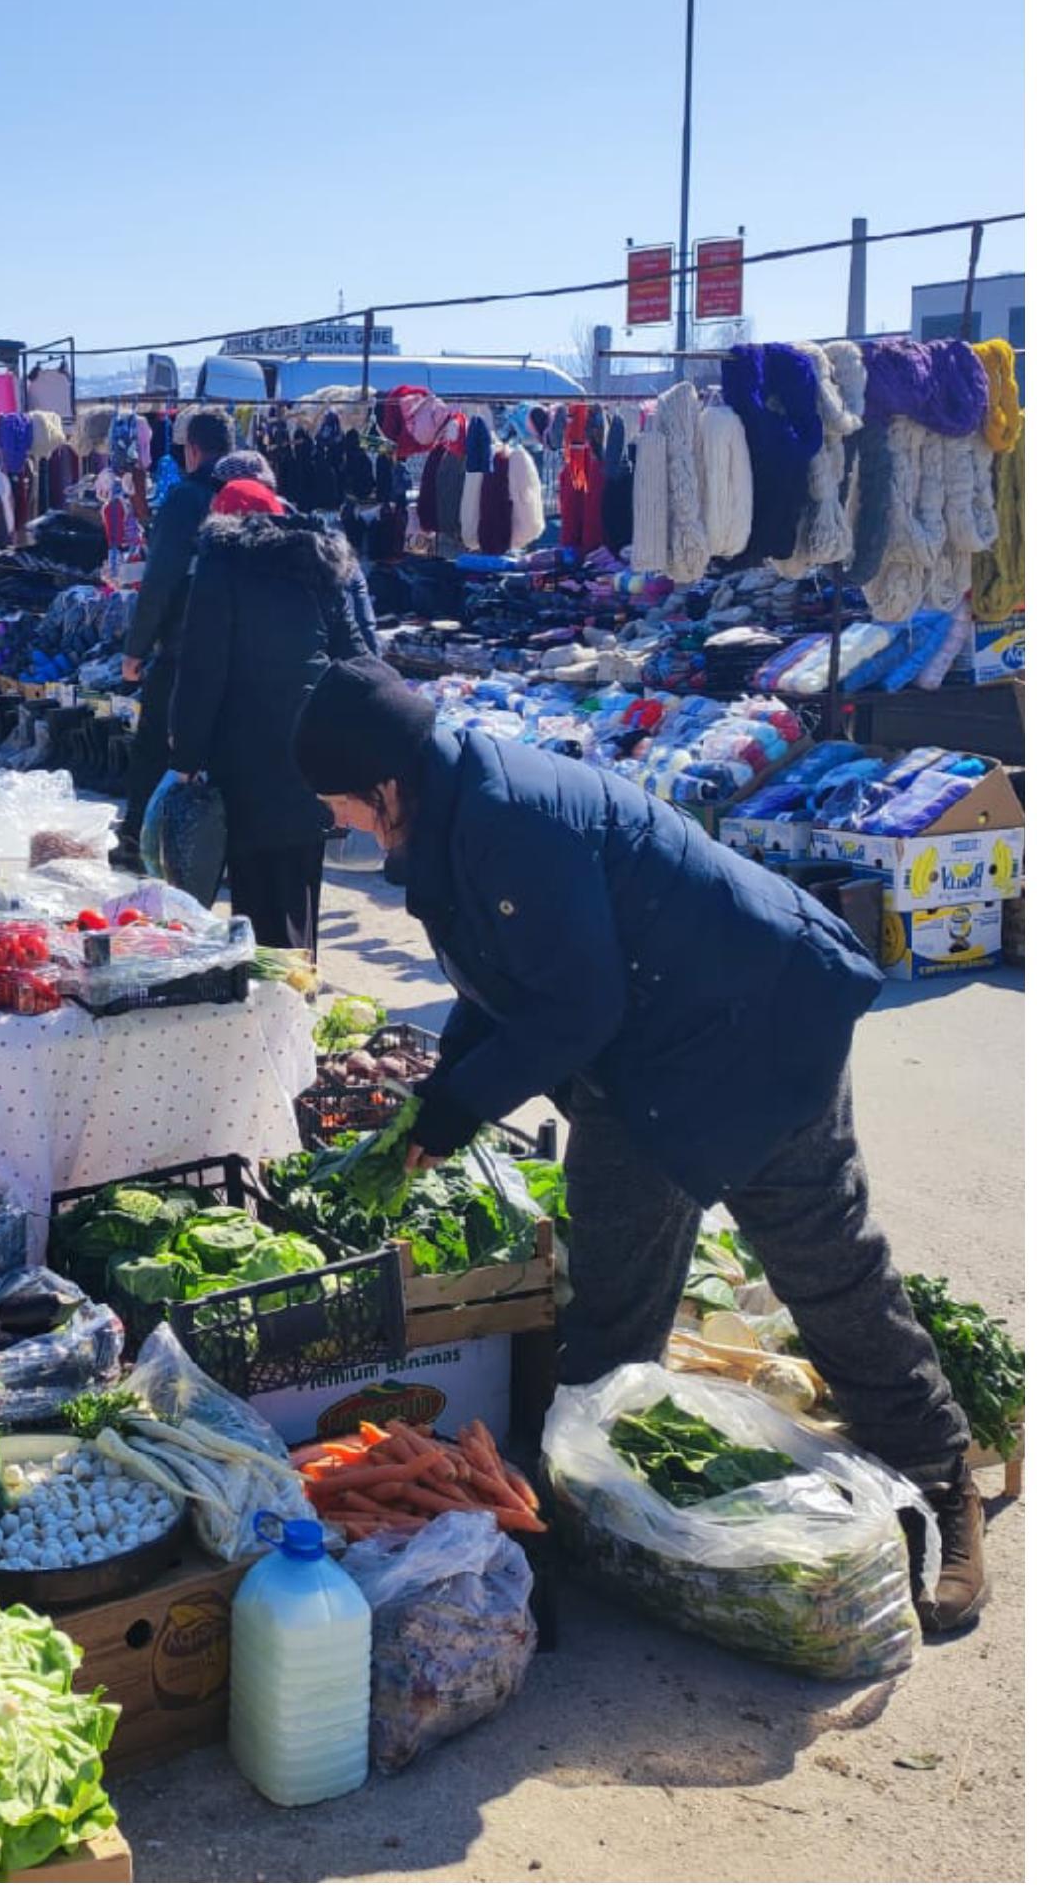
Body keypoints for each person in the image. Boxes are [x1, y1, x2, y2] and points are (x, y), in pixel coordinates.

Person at [289, 656, 989, 1637]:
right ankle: (585, 1508)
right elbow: (504, 990)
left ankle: (939, 1479)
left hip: (758, 1018)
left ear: (386, 786)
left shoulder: (505, 821)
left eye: (342, 807)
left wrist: (446, 1120)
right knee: (616, 1282)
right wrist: (433, 1103)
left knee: (822, 1262)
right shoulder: (453, 813)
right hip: (655, 1052)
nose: (344, 826)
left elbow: (574, 1008)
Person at [161, 472, 376, 952]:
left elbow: (201, 671)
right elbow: (357, 657)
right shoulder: (319, 565)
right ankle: (300, 994)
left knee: (256, 891)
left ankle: (272, 1004)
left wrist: (185, 757)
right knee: (301, 885)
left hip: (246, 756)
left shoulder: (222, 568)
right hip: (314, 750)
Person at [113, 410, 236, 865]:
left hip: (184, 647)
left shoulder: (186, 498)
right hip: (239, 652)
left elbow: (160, 579)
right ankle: (213, 850)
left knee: (154, 749)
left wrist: (135, 649)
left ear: (192, 450)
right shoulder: (254, 494)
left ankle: (138, 843)